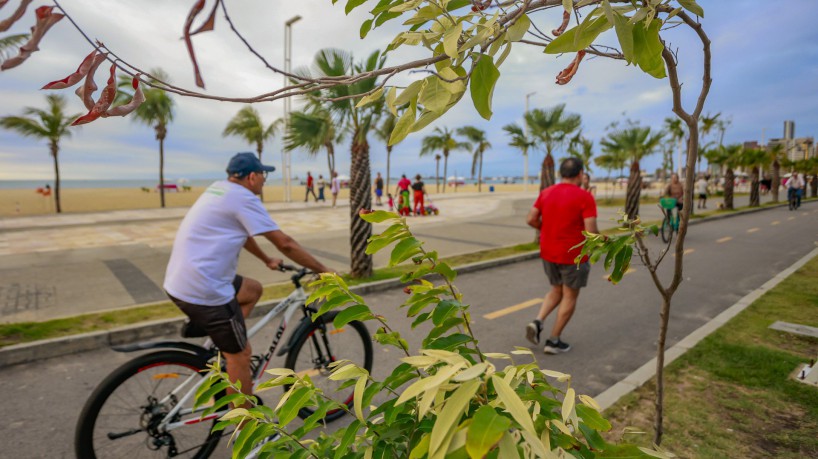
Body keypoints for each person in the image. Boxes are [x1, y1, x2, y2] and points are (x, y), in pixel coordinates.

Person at [163, 152, 332, 409]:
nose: (265, 180)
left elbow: (242, 231)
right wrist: (324, 270)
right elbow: (285, 243)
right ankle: (247, 432)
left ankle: (217, 350)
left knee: (252, 290)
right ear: (252, 177)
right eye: (263, 175)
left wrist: (266, 259)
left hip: (181, 281)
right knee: (241, 354)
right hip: (204, 289)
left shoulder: (219, 190)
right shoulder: (243, 198)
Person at [524, 158, 598, 354]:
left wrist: (545, 229)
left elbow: (531, 218)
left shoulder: (546, 192)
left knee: (556, 288)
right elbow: (591, 230)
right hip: (573, 254)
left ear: (561, 173)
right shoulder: (585, 197)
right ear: (581, 174)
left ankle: (538, 321)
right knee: (570, 295)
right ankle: (553, 341)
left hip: (548, 252)